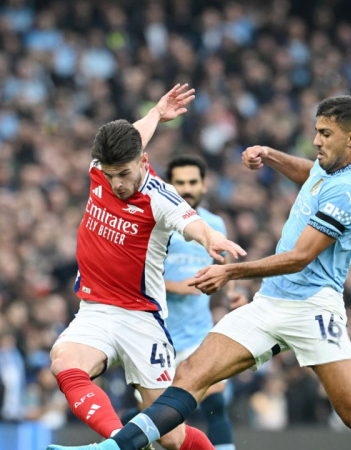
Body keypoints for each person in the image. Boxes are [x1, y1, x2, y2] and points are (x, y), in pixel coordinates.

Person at [63, 95, 351, 450]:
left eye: (325, 134)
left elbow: (300, 257)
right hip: (270, 302)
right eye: (316, 131)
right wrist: (271, 155)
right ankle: (115, 447)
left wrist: (231, 273)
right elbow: (311, 175)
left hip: (313, 308)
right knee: (191, 373)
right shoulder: (330, 170)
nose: (316, 140)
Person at [46, 84, 246, 450]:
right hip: (96, 309)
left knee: (171, 436)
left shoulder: (160, 197)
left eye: (123, 173)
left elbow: (193, 223)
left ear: (143, 160)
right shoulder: (102, 167)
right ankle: (117, 444)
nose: (116, 184)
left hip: (142, 319)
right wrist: (155, 113)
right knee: (64, 360)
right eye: (110, 175)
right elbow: (134, 134)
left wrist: (211, 238)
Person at [162, 155, 243, 450]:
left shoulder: (214, 224)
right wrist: (175, 286)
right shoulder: (155, 224)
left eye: (192, 182)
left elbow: (223, 264)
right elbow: (132, 277)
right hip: (157, 336)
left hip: (198, 333)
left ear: (204, 185)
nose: (187, 189)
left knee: (215, 404)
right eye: (180, 183)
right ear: (169, 186)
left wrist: (232, 292)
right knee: (160, 422)